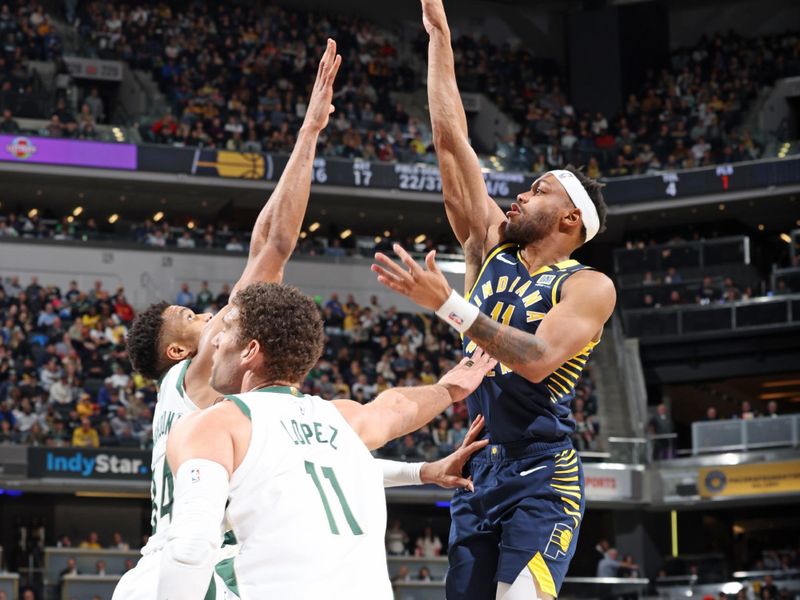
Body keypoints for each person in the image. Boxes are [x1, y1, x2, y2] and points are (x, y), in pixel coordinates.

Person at [370, 3, 616, 599]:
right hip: (480, 467)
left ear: (567, 217)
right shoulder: (492, 248)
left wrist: (448, 304)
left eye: (537, 191)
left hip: (542, 474)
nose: (519, 196)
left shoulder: (587, 286)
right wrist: (440, 42)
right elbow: (453, 146)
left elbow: (535, 359)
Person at [117, 39, 344, 600]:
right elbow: (274, 246)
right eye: (189, 317)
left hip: (165, 563)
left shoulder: (188, 393)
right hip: (185, 568)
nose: (205, 315)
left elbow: (264, 246)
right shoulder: (197, 371)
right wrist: (309, 133)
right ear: (177, 351)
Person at [156, 282, 496, 599]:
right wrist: (447, 390)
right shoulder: (343, 418)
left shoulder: (212, 424)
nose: (214, 341)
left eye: (225, 331)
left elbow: (190, 550)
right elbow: (395, 409)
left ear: (250, 352)